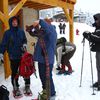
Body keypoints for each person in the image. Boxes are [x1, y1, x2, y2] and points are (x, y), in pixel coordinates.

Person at [0, 16, 32, 98]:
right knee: (15, 73)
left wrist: (24, 44)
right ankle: (15, 87)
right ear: (11, 23)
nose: (15, 23)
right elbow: (3, 44)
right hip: (13, 56)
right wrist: (1, 53)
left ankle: (27, 85)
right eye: (13, 22)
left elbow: (24, 39)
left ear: (18, 22)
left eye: (16, 22)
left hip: (23, 55)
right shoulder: (7, 33)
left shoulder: (21, 31)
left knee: (26, 70)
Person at [26, 19, 57, 98]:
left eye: (47, 23)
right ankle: (46, 92)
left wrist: (40, 21)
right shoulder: (42, 33)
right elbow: (34, 33)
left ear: (49, 24)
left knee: (47, 77)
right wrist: (30, 29)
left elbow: (48, 29)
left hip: (48, 60)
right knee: (42, 77)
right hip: (41, 59)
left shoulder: (52, 32)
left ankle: (51, 94)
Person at [83, 13, 100, 91]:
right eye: (95, 19)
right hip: (98, 51)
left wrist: (90, 35)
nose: (96, 21)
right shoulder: (97, 28)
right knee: (98, 67)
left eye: (97, 19)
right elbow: (93, 37)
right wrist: (87, 36)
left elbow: (98, 38)